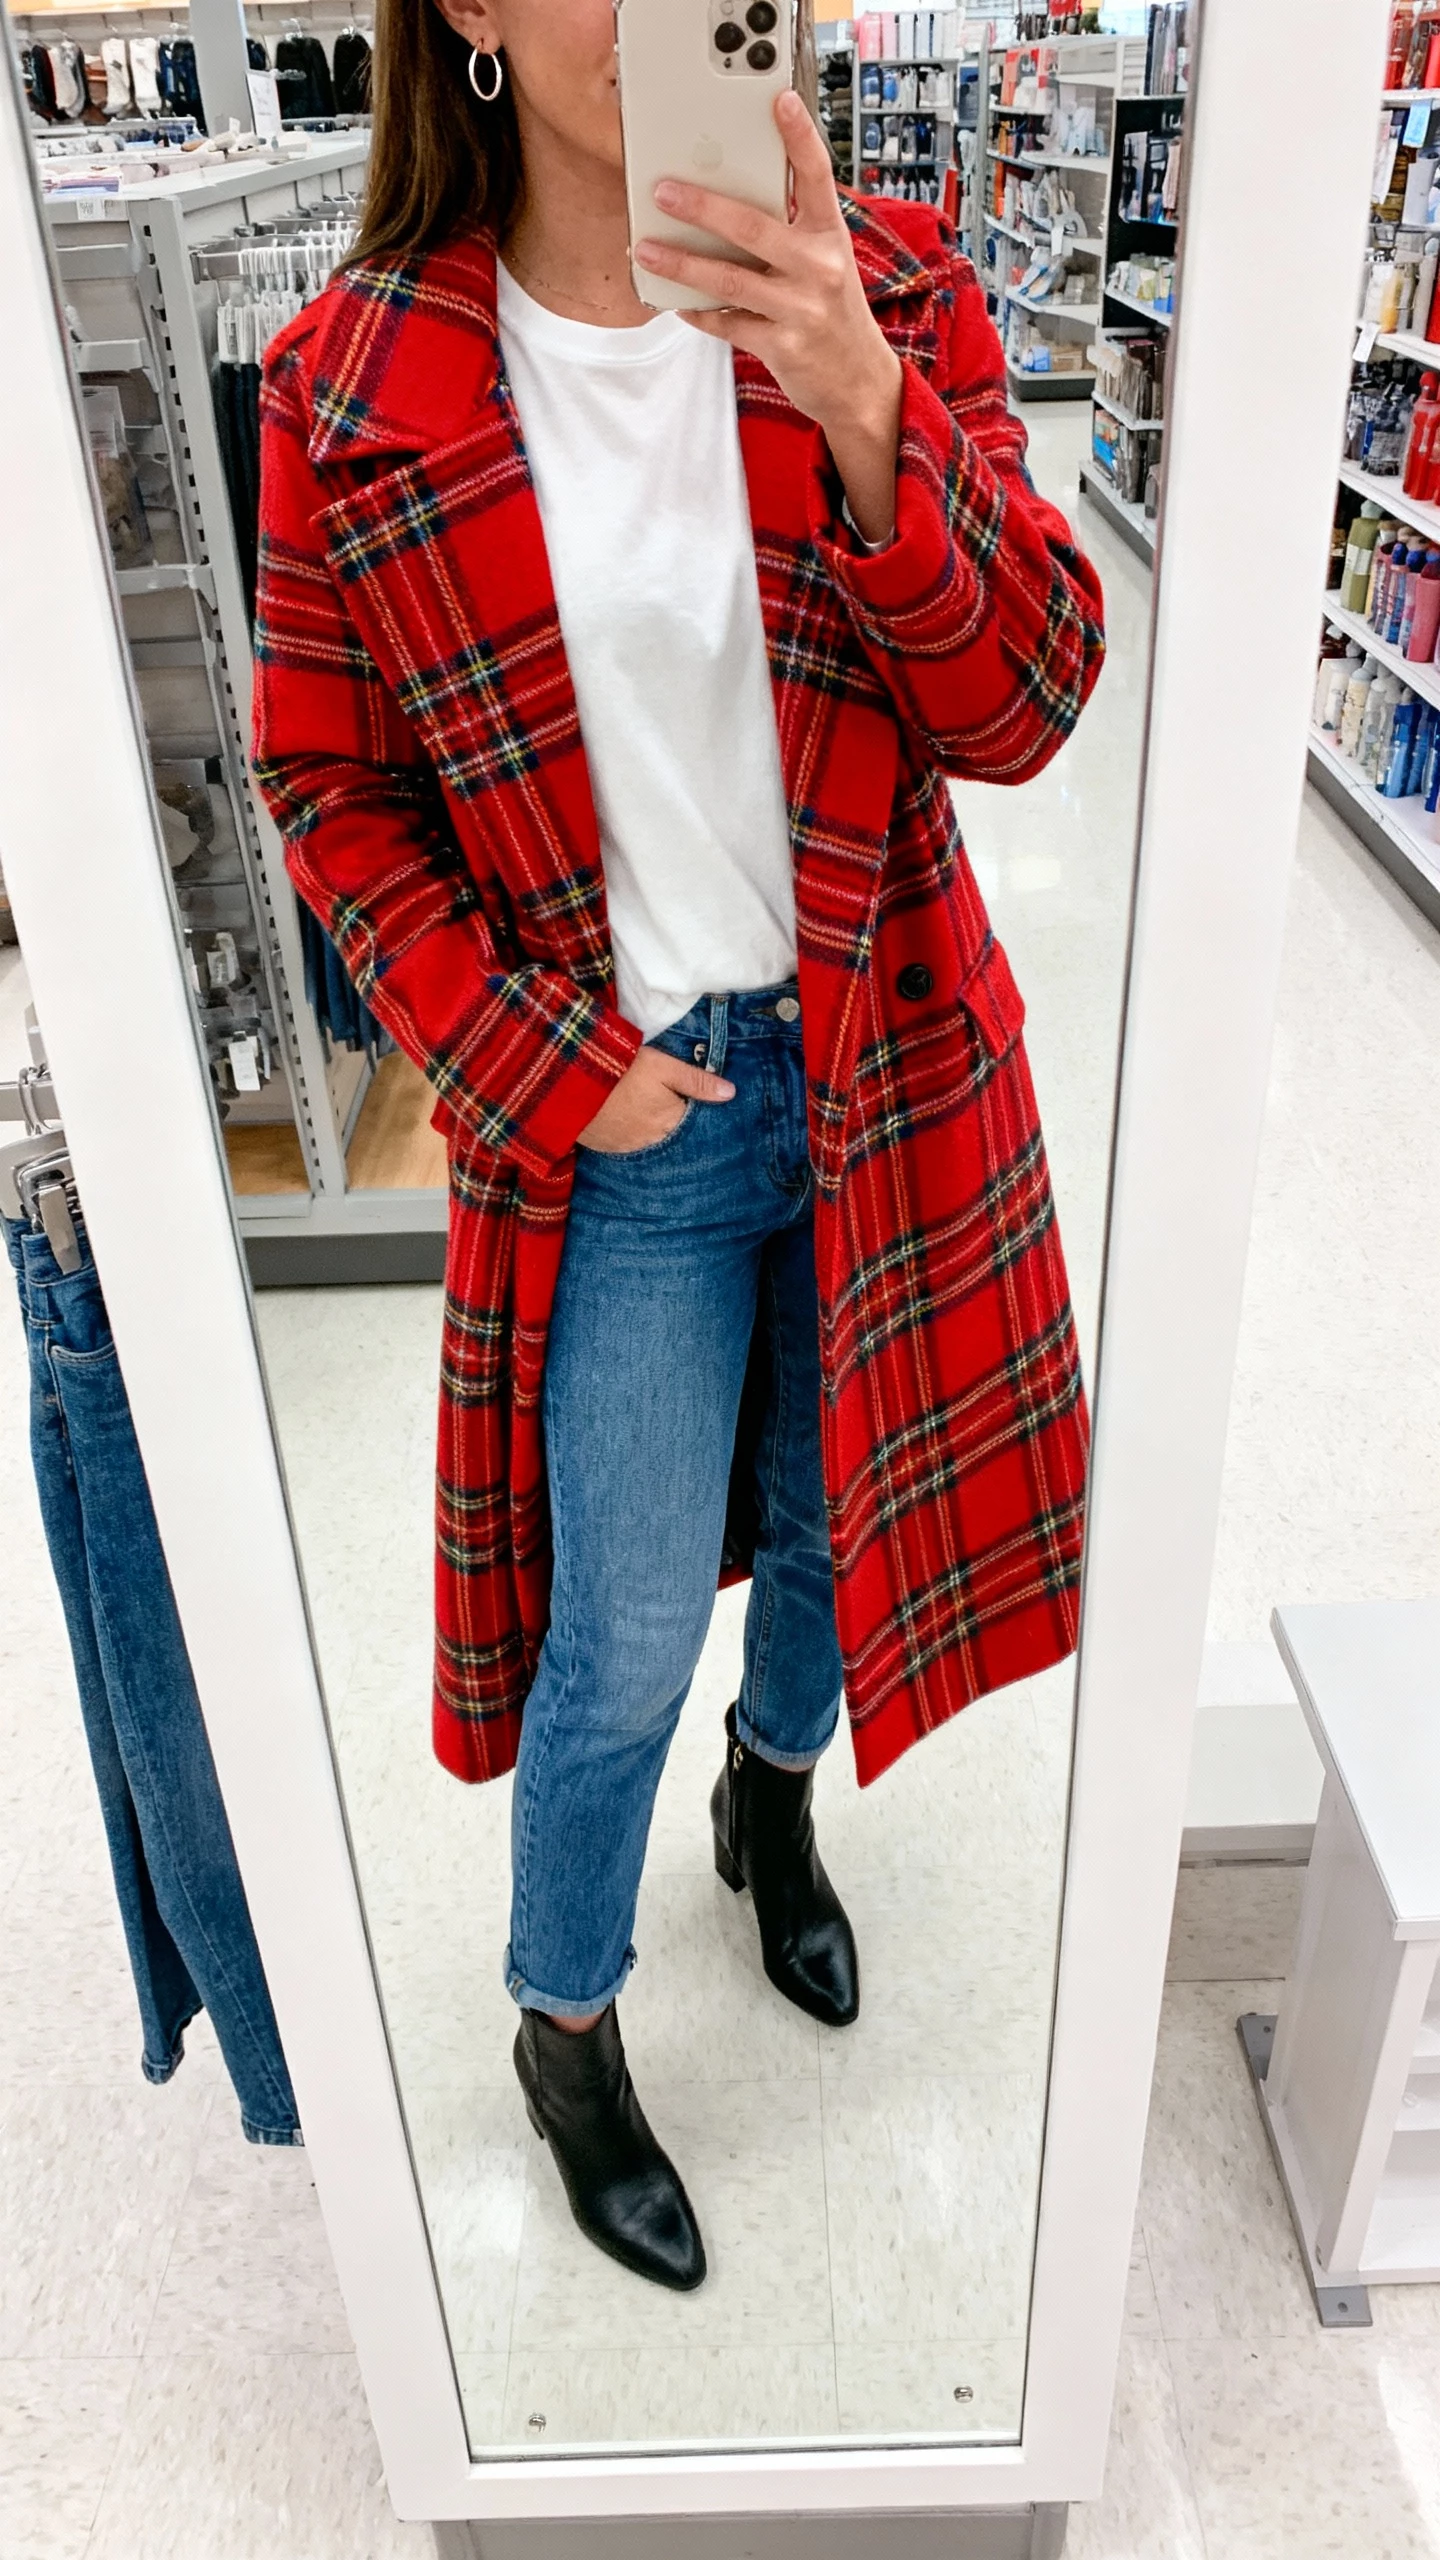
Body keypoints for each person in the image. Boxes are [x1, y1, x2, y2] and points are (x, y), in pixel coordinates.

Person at [252, 0, 1105, 2295]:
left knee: (845, 1528)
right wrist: (530, 1050)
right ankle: (563, 2023)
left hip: (885, 1070)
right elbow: (321, 784)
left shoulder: (887, 286)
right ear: (468, 25)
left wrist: (862, 401)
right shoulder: (353, 385)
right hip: (623, 1118)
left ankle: (774, 1796)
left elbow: (1030, 697)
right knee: (614, 1630)